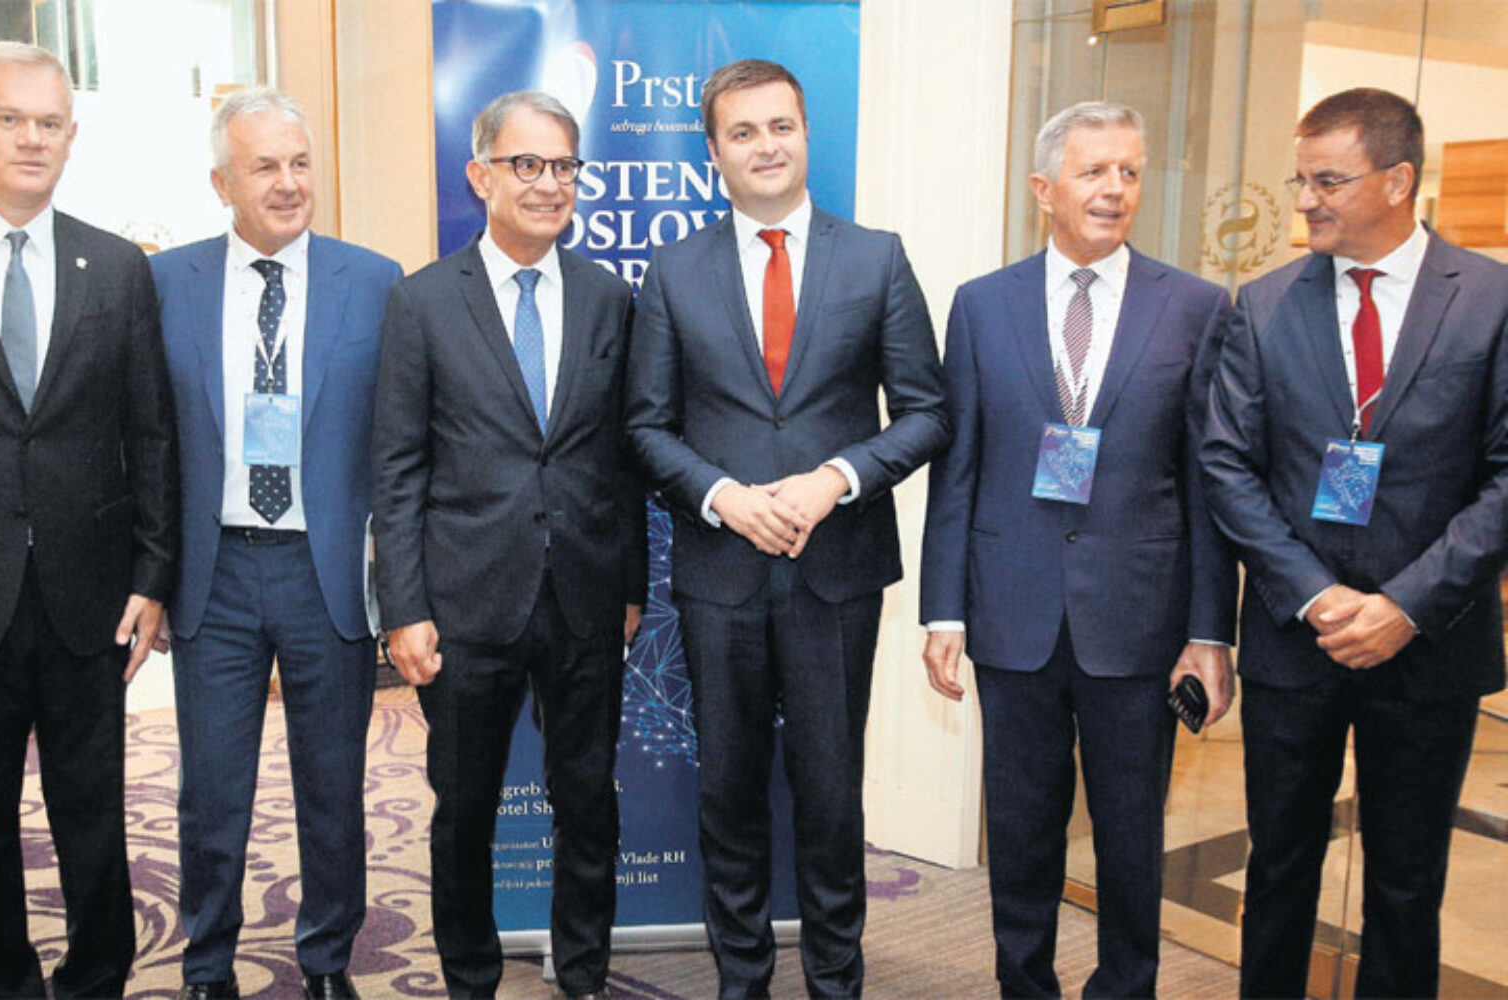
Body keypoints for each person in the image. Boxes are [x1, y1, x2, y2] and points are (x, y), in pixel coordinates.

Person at [626, 58, 948, 998]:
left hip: (835, 570)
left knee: (830, 792)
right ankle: (743, 980)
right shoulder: (674, 270)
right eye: (743, 132)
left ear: (806, 134)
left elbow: (927, 412)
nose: (765, 146)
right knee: (727, 791)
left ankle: (836, 980)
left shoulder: (876, 258)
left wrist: (836, 479)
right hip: (719, 571)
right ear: (714, 152)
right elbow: (645, 426)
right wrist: (724, 495)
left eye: (780, 126)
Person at [918, 101, 1237, 998]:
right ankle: (1025, 986)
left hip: (1139, 620)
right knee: (1022, 831)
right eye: (1093, 171)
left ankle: (1126, 988)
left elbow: (1209, 485)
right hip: (1010, 611)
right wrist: (944, 610)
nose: (1115, 189)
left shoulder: (1196, 307)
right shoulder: (982, 305)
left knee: (1132, 837)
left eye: (1130, 171)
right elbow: (959, 468)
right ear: (1043, 188)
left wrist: (1210, 633)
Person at [1202, 87, 1508, 999]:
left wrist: (1406, 606)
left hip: (1430, 641)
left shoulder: (1491, 300)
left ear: (1398, 180)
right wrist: (1316, 594)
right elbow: (1227, 465)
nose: (1305, 201)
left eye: (1327, 181)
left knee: (1407, 884)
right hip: (1298, 638)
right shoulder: (1263, 305)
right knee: (1278, 867)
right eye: (1300, 180)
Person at [0, 41, 178, 998]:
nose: (32, 138)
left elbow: (151, 433)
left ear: (71, 135)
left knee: (94, 812)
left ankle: (97, 978)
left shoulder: (116, 266)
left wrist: (153, 575)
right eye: (10, 118)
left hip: (90, 593)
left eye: (50, 122)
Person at [371, 90, 645, 1000]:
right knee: (465, 811)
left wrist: (630, 586)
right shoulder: (420, 302)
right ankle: (471, 978)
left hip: (586, 598)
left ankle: (585, 972)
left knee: (589, 802)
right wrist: (403, 607)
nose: (548, 184)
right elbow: (397, 469)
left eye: (564, 166)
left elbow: (623, 459)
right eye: (527, 164)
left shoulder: (611, 300)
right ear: (480, 176)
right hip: (465, 604)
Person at [149, 88, 401, 1000]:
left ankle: (328, 962)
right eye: (265, 167)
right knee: (212, 791)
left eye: (300, 163)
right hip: (212, 571)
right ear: (223, 182)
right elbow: (145, 438)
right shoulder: (164, 282)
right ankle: (207, 966)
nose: (289, 183)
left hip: (323, 572)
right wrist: (150, 577)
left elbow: (397, 443)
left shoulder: (374, 280)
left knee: (333, 787)